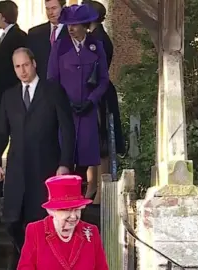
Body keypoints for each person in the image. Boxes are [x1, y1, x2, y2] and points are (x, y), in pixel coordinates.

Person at [0, 47, 75, 269]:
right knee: (12, 221)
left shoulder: (53, 91)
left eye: (25, 65)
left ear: (34, 63)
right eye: (18, 66)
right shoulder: (9, 96)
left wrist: (65, 164)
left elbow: (67, 129)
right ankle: (28, 256)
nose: (22, 70)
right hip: (17, 168)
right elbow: (0, 132)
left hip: (46, 167)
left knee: (41, 220)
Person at [47, 4, 110, 200]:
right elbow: (52, 78)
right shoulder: (60, 46)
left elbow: (103, 80)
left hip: (88, 110)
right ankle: (63, 196)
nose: (71, 28)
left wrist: (92, 101)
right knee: (65, 153)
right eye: (68, 25)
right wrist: (63, 102)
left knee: (84, 155)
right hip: (65, 110)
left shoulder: (96, 46)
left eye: (75, 24)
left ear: (84, 25)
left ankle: (78, 195)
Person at [0, 0, 28, 200]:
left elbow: (9, 73)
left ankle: (12, 184)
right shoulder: (5, 37)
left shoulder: (19, 37)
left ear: (2, 16)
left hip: (10, 99)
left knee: (14, 140)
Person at [17, 175, 108, 270]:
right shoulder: (36, 230)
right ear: (52, 211)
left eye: (77, 210)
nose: (73, 216)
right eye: (67, 210)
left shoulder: (92, 232)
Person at [88, 0, 125, 180]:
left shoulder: (98, 39)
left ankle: (102, 186)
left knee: (101, 139)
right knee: (93, 139)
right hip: (97, 90)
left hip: (99, 91)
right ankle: (94, 184)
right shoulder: (95, 37)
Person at [27, 0, 69, 79]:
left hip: (66, 85)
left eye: (54, 8)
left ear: (63, 8)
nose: (50, 12)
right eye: (47, 9)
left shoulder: (72, 32)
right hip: (41, 86)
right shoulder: (34, 33)